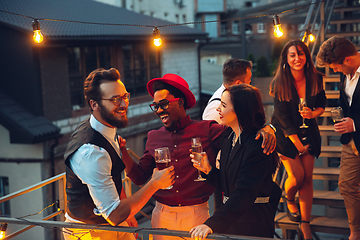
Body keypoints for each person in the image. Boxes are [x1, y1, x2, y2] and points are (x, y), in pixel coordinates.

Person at [120, 73, 276, 240]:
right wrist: (123, 151)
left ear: (180, 102)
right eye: (155, 106)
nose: (158, 110)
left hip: (198, 214)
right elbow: (138, 176)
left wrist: (267, 129)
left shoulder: (209, 130)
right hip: (162, 213)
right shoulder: (153, 136)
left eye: (163, 104)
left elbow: (244, 129)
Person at [63, 68, 174, 240]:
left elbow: (112, 178)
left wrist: (129, 216)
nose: (124, 104)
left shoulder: (105, 127)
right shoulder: (92, 152)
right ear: (94, 104)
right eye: (115, 99)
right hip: (89, 232)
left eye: (124, 96)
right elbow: (114, 215)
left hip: (111, 221)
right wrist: (154, 183)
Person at [190, 84, 279, 239]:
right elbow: (228, 185)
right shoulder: (228, 137)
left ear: (240, 110)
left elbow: (244, 193)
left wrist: (212, 224)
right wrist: (208, 170)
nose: (218, 109)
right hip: (232, 221)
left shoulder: (257, 145)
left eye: (223, 105)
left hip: (253, 223)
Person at [269, 39, 326, 240]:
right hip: (286, 136)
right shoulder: (279, 82)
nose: (297, 58)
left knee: (308, 179)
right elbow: (283, 119)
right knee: (297, 177)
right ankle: (289, 197)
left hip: (309, 132)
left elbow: (322, 105)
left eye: (300, 54)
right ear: (286, 58)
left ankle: (305, 224)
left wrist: (314, 113)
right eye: (292, 55)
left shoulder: (316, 78)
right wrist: (299, 145)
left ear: (306, 56)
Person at [316, 36, 360, 240]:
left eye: (335, 67)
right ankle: (356, 232)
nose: (334, 71)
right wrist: (343, 118)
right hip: (350, 142)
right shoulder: (347, 75)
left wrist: (355, 123)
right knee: (346, 185)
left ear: (348, 60)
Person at [202, 58, 253, 123]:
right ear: (238, 83)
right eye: (248, 79)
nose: (250, 82)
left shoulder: (237, 98)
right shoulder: (215, 109)